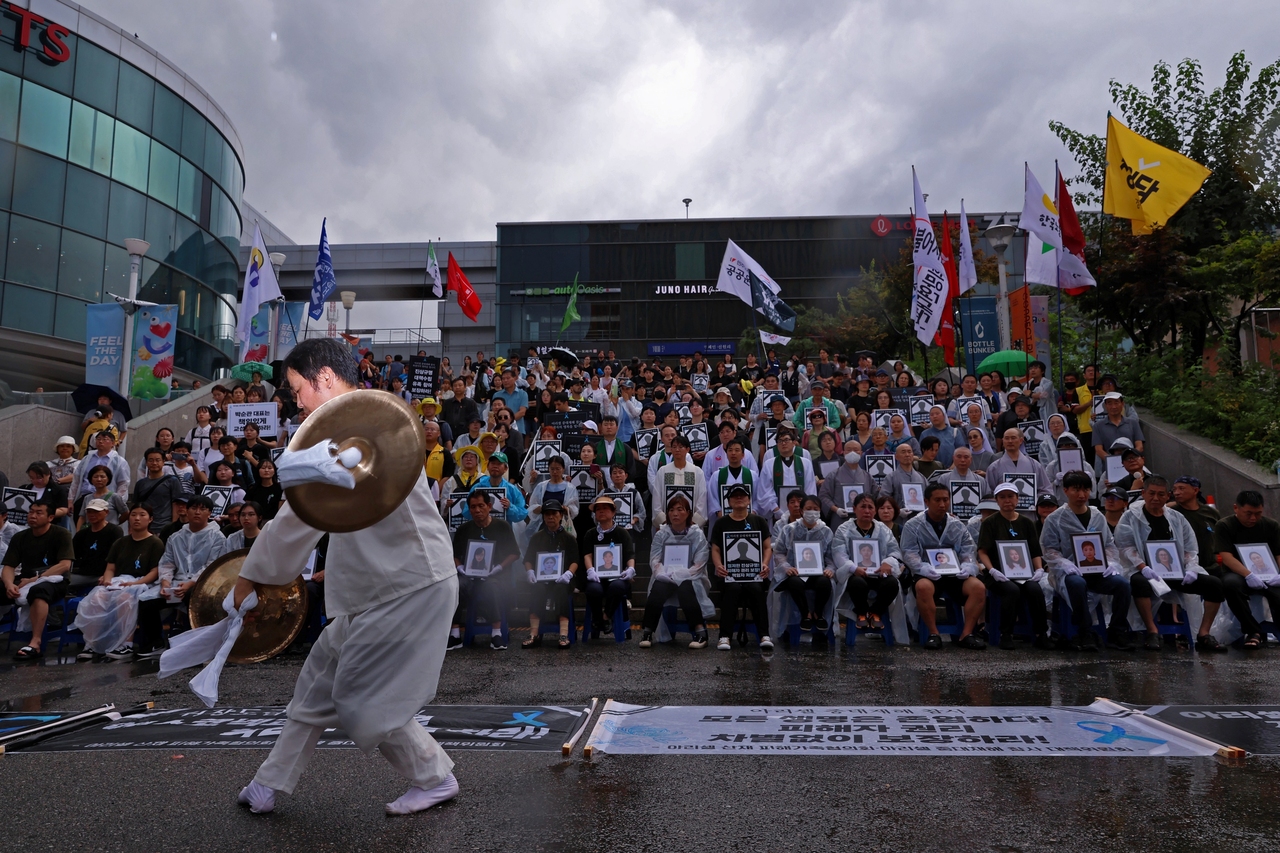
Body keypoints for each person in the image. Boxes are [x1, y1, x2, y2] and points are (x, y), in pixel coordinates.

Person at [228, 337, 462, 817]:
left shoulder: (362, 427)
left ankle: (435, 777)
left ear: (326, 379)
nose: (296, 402)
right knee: (315, 687)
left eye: (298, 389)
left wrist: (250, 576)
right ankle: (268, 782)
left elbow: (298, 516)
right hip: (372, 585)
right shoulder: (359, 422)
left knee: (361, 701)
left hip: (408, 584)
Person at [1115, 477, 1228, 653]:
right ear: (1143, 493)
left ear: (1168, 496)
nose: (1156, 498)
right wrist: (1143, 567)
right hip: (1145, 571)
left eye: (1161, 494)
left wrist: (1191, 568)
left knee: (1214, 584)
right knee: (1139, 583)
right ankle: (1152, 631)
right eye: (1151, 493)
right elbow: (1126, 547)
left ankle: (1204, 634)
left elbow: (1190, 548)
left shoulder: (1176, 518)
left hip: (1175, 571)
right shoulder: (1130, 517)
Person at [1038, 471, 1134, 651]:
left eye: (1086, 490)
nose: (1082, 495)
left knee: (1122, 585)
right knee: (1077, 583)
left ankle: (1117, 631)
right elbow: (1049, 549)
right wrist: (1063, 563)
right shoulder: (1055, 518)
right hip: (1069, 573)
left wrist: (1111, 562)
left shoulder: (1097, 515)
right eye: (1076, 489)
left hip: (1097, 570)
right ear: (1065, 490)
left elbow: (1108, 544)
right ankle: (1084, 632)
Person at [900, 484, 987, 649]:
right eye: (937, 500)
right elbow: (909, 553)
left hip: (955, 574)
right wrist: (922, 568)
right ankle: (934, 633)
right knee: (923, 587)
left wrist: (968, 566)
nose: (942, 504)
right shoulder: (913, 525)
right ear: (927, 501)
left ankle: (967, 634)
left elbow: (968, 549)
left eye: (945, 500)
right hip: (928, 574)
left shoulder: (957, 525)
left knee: (978, 588)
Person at [977, 483, 1051, 650]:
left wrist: (1039, 569)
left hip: (1023, 572)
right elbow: (982, 551)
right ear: (997, 500)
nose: (1007, 500)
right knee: (1011, 590)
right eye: (1002, 497)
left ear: (1017, 499)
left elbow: (1034, 551)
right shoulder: (990, 523)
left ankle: (1041, 634)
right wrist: (992, 570)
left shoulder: (1027, 522)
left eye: (1010, 496)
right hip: (998, 574)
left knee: (1035, 590)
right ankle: (1006, 634)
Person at [3, 499, 75, 660]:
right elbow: (9, 566)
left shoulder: (61, 534)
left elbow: (64, 565)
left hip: (55, 580)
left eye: (38, 513)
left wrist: (34, 580)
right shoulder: (20, 537)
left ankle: (35, 643)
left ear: (50, 517)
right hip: (24, 579)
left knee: (39, 591)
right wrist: (8, 584)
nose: (33, 516)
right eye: (31, 512)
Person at [450, 491, 521, 651]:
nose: (477, 510)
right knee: (455, 586)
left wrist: (499, 567)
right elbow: (454, 555)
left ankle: (496, 633)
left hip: (495, 575)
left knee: (491, 587)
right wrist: (460, 567)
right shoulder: (464, 529)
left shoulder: (502, 526)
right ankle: (454, 634)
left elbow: (515, 553)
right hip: (469, 575)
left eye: (481, 506)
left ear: (489, 506)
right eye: (473, 507)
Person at [639, 494, 712, 649]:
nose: (675, 514)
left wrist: (682, 574)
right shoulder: (661, 533)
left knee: (686, 589)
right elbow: (655, 559)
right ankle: (647, 632)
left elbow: (700, 561)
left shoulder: (697, 534)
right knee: (658, 588)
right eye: (671, 510)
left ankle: (700, 632)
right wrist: (661, 573)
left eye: (680, 509)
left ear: (688, 513)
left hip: (691, 576)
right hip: (666, 576)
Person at [709, 483, 773, 651]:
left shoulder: (758, 521)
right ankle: (724, 636)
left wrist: (765, 564)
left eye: (742, 495)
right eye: (734, 495)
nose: (739, 498)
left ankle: (764, 635)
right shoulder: (721, 523)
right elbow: (715, 549)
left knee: (756, 589)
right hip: (729, 574)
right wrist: (718, 565)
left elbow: (767, 547)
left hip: (754, 573)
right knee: (732, 589)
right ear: (729, 501)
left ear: (749, 500)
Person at [1214, 490, 1280, 650]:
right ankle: (1252, 631)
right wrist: (1248, 574)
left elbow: (1278, 554)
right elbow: (1226, 556)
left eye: (1258, 514)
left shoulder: (1271, 526)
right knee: (1230, 585)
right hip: (1238, 574)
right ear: (1236, 508)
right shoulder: (1225, 525)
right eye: (1248, 513)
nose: (1253, 518)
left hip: (1269, 574)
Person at [102, 503, 168, 659]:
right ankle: (93, 644)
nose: (137, 518)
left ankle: (126, 644)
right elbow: (110, 568)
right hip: (120, 581)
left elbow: (154, 572)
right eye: (133, 515)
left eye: (142, 515)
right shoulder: (120, 542)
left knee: (125, 598)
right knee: (97, 597)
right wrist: (107, 580)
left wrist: (135, 584)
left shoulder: (155, 543)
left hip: (143, 583)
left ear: (150, 519)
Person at [832, 493, 901, 632]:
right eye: (863, 507)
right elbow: (838, 553)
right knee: (857, 583)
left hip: (878, 574)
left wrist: (888, 562)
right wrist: (853, 567)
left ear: (875, 510)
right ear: (854, 509)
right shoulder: (844, 529)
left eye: (870, 507)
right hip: (855, 574)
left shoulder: (883, 529)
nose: (867, 511)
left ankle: (876, 612)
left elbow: (894, 551)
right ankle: (862, 612)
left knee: (892, 584)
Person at [772, 495, 835, 635]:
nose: (812, 512)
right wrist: (786, 567)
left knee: (825, 582)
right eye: (808, 508)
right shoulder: (789, 529)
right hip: (795, 573)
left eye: (815, 509)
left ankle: (818, 613)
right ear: (801, 511)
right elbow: (778, 552)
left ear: (820, 511)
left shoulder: (826, 531)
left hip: (818, 573)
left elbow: (831, 556)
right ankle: (806, 614)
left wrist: (830, 569)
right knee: (794, 583)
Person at [521, 500, 578, 649]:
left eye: (554, 513)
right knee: (537, 589)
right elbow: (528, 559)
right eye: (547, 514)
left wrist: (568, 573)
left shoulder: (569, 537)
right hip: (541, 579)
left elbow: (575, 561)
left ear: (561, 516)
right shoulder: (537, 537)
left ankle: (563, 634)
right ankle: (533, 632)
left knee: (561, 590)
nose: (550, 517)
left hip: (562, 580)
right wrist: (530, 571)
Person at [581, 495, 637, 639]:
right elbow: (587, 555)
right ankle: (598, 618)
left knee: (617, 586)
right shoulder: (590, 534)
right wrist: (590, 570)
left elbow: (630, 554)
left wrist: (630, 569)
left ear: (613, 512)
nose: (601, 511)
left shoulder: (622, 533)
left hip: (618, 577)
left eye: (605, 508)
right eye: (598, 509)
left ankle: (605, 617)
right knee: (593, 589)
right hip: (597, 577)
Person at [983, 428, 1052, 517]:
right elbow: (989, 492)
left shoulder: (1034, 465)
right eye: (1006, 438)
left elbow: (1046, 489)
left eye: (1013, 438)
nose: (1010, 441)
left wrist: (1034, 500)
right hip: (1004, 514)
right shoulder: (994, 467)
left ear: (1021, 440)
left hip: (1029, 514)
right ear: (1003, 441)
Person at [756, 426, 817, 523]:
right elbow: (764, 491)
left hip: (801, 513)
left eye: (787, 440)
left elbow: (810, 488)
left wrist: (804, 507)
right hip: (777, 515)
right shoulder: (769, 464)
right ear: (776, 444)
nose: (783, 443)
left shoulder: (805, 463)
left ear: (794, 442)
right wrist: (776, 510)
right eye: (780, 441)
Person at [652, 434, 708, 529]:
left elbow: (702, 498)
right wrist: (664, 521)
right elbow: (657, 497)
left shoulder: (696, 471)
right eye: (674, 447)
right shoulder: (663, 471)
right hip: (667, 525)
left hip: (691, 526)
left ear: (687, 449)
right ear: (671, 449)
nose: (677, 450)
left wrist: (693, 522)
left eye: (681, 447)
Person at [70, 498, 124, 591]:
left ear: (106, 512)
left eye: (96, 512)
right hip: (83, 573)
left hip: (104, 574)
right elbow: (73, 554)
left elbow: (116, 556)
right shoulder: (82, 534)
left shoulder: (114, 531)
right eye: (89, 512)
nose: (92, 515)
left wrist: (107, 575)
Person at [133, 448, 185, 535]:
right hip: (144, 528)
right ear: (146, 463)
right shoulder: (140, 484)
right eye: (151, 460)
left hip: (164, 528)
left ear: (163, 462)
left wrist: (174, 527)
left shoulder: (172, 481)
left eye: (158, 460)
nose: (154, 463)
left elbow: (176, 505)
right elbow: (135, 506)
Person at [71, 428, 130, 502]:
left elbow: (123, 483)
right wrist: (71, 499)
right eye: (98, 439)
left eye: (105, 439)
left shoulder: (119, 461)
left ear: (112, 443)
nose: (101, 441)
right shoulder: (87, 458)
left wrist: (117, 501)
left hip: (106, 499)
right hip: (85, 496)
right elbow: (76, 479)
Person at [1093, 391, 1144, 462]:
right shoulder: (1098, 426)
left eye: (1116, 403)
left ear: (1122, 404)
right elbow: (1098, 450)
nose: (1113, 406)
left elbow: (1140, 446)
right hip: (1109, 465)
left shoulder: (1133, 423)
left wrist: (1129, 459)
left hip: (1131, 463)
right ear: (1105, 406)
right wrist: (1113, 462)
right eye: (1109, 403)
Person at [25, 461, 71, 525]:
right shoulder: (25, 488)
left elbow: (63, 510)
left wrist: (44, 513)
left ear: (48, 474)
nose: (35, 481)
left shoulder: (58, 490)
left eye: (39, 478)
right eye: (32, 478)